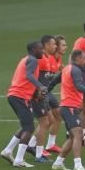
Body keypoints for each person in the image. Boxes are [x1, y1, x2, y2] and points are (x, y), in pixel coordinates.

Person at [0, 41, 48, 168]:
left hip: (18, 96)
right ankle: (19, 160)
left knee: (25, 125)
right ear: (33, 50)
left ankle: (8, 151)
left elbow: (25, 80)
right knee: (29, 127)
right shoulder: (32, 60)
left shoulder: (27, 59)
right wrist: (40, 86)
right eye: (40, 49)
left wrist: (34, 94)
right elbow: (29, 75)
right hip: (19, 97)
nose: (42, 51)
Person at [51, 50, 85, 170]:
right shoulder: (75, 70)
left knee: (72, 137)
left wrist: (45, 91)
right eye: (84, 58)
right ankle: (78, 166)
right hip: (69, 106)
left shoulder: (67, 69)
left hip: (69, 106)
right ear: (78, 59)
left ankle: (58, 162)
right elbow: (78, 86)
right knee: (78, 135)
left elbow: (54, 81)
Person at [27, 34, 61, 162]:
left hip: (44, 95)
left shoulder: (50, 59)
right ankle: (38, 154)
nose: (55, 46)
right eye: (53, 44)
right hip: (38, 96)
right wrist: (36, 93)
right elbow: (32, 76)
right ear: (46, 45)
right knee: (45, 122)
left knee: (51, 120)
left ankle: (31, 145)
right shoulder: (39, 60)